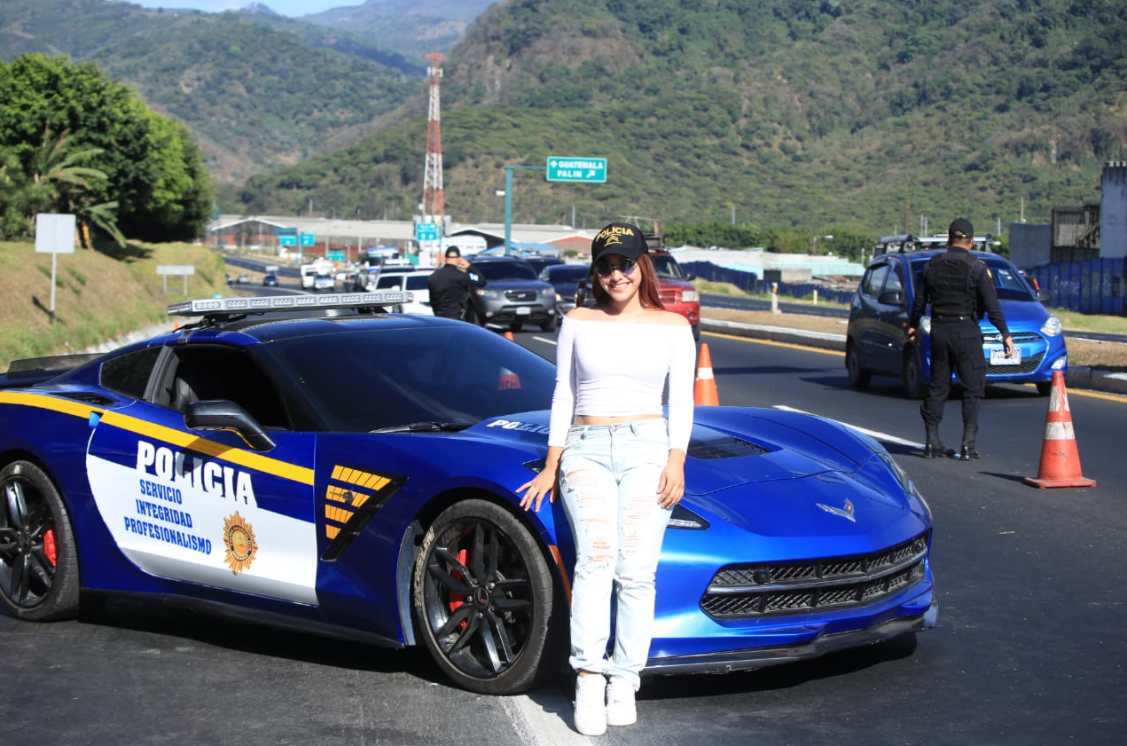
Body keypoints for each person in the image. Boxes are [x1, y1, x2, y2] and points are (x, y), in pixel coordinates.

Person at [516, 222, 695, 736]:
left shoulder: (673, 327)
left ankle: (625, 678)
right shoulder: (578, 321)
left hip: (648, 448)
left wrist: (676, 460)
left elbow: (681, 400)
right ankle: (588, 679)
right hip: (585, 450)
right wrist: (552, 463)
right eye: (605, 265)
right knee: (595, 561)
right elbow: (564, 396)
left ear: (642, 267)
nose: (616, 274)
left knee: (636, 571)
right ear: (595, 272)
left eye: (625, 264)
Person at [907, 218, 1014, 460]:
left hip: (940, 329)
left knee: (938, 386)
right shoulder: (977, 268)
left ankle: (931, 442)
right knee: (972, 388)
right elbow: (992, 306)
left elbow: (919, 302)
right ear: (971, 241)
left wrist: (913, 326)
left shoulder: (932, 266)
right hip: (966, 331)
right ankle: (968, 445)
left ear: (948, 239)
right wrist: (1005, 335)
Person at [426, 246, 484, 320]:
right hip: (456, 318)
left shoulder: (433, 277)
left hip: (439, 317)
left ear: (446, 258)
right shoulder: (462, 276)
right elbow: (482, 281)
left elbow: (432, 300)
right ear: (459, 259)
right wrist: (469, 267)